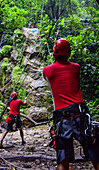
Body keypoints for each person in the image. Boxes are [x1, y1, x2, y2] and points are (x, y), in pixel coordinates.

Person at [43, 38, 99, 170]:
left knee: (62, 159)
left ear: (54, 53)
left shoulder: (47, 70)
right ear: (69, 53)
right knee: (95, 154)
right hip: (81, 115)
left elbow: (50, 77)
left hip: (62, 118)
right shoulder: (76, 68)